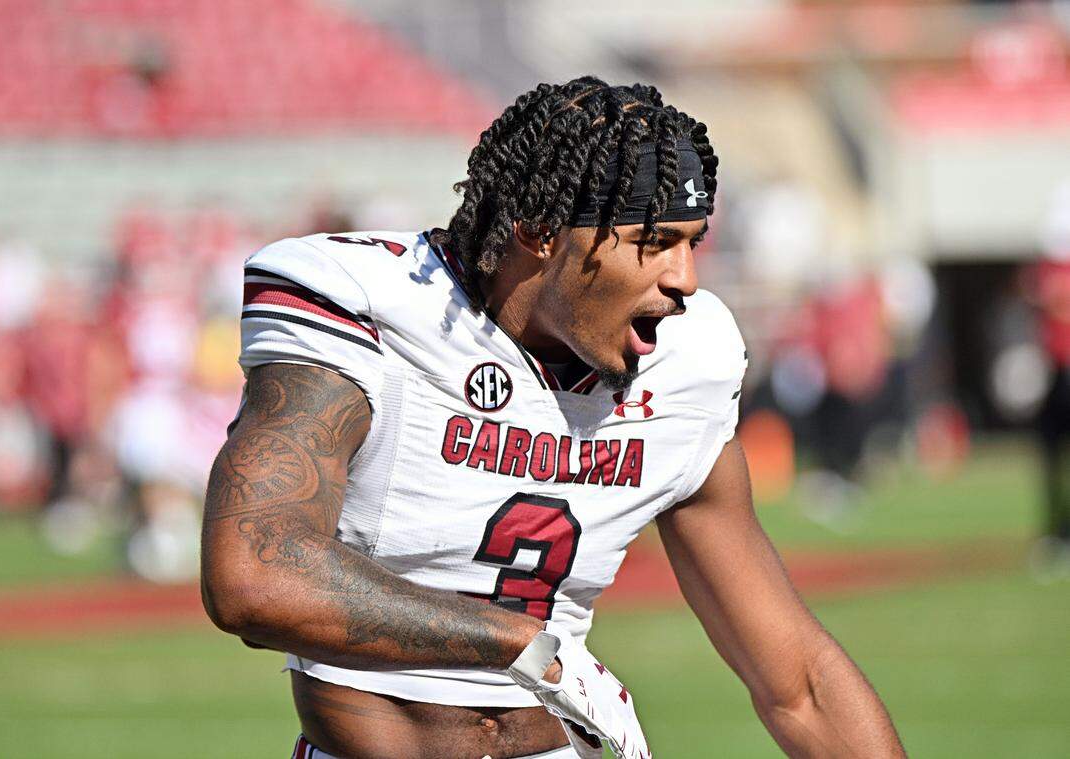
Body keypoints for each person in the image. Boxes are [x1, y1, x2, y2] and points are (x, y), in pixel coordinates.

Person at [201, 77, 905, 759]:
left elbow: (798, 684)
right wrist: (528, 647)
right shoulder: (374, 305)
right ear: (540, 231)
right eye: (654, 241)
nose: (685, 279)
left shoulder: (687, 361)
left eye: (692, 242)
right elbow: (253, 573)